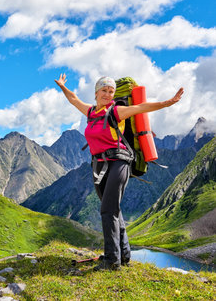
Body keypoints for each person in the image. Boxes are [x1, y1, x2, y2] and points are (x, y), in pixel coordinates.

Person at [55, 73, 184, 270]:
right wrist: (63, 86)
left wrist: (168, 102)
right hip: (98, 164)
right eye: (104, 90)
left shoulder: (116, 111)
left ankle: (111, 261)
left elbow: (141, 107)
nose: (108, 94)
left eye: (111, 91)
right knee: (113, 209)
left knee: (108, 210)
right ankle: (124, 256)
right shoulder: (90, 112)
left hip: (119, 161)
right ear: (96, 93)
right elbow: (74, 99)